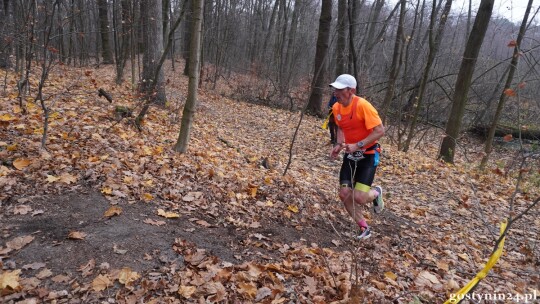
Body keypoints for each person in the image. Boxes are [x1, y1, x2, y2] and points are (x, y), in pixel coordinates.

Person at [329, 74, 385, 240]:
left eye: (339, 89)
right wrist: (338, 146)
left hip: (368, 155)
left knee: (359, 197)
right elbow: (341, 128)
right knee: (344, 194)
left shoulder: (363, 106)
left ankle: (376, 193)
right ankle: (364, 227)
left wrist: (358, 145)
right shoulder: (336, 107)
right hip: (350, 155)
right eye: (335, 89)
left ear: (351, 90)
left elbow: (380, 130)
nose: (336, 93)